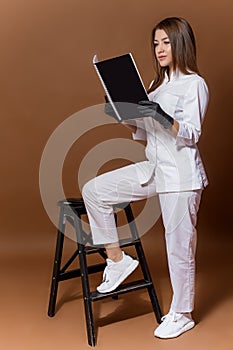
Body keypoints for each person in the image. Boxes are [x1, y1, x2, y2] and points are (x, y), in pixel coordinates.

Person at [82, 17, 209, 339]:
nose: (159, 49)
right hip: (155, 168)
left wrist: (158, 113)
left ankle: (182, 313)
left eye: (166, 42)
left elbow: (191, 134)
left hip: (181, 176)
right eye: (156, 43)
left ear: (181, 43)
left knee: (178, 248)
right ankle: (117, 259)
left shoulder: (194, 84)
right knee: (95, 190)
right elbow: (144, 132)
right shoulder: (156, 87)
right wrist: (121, 115)